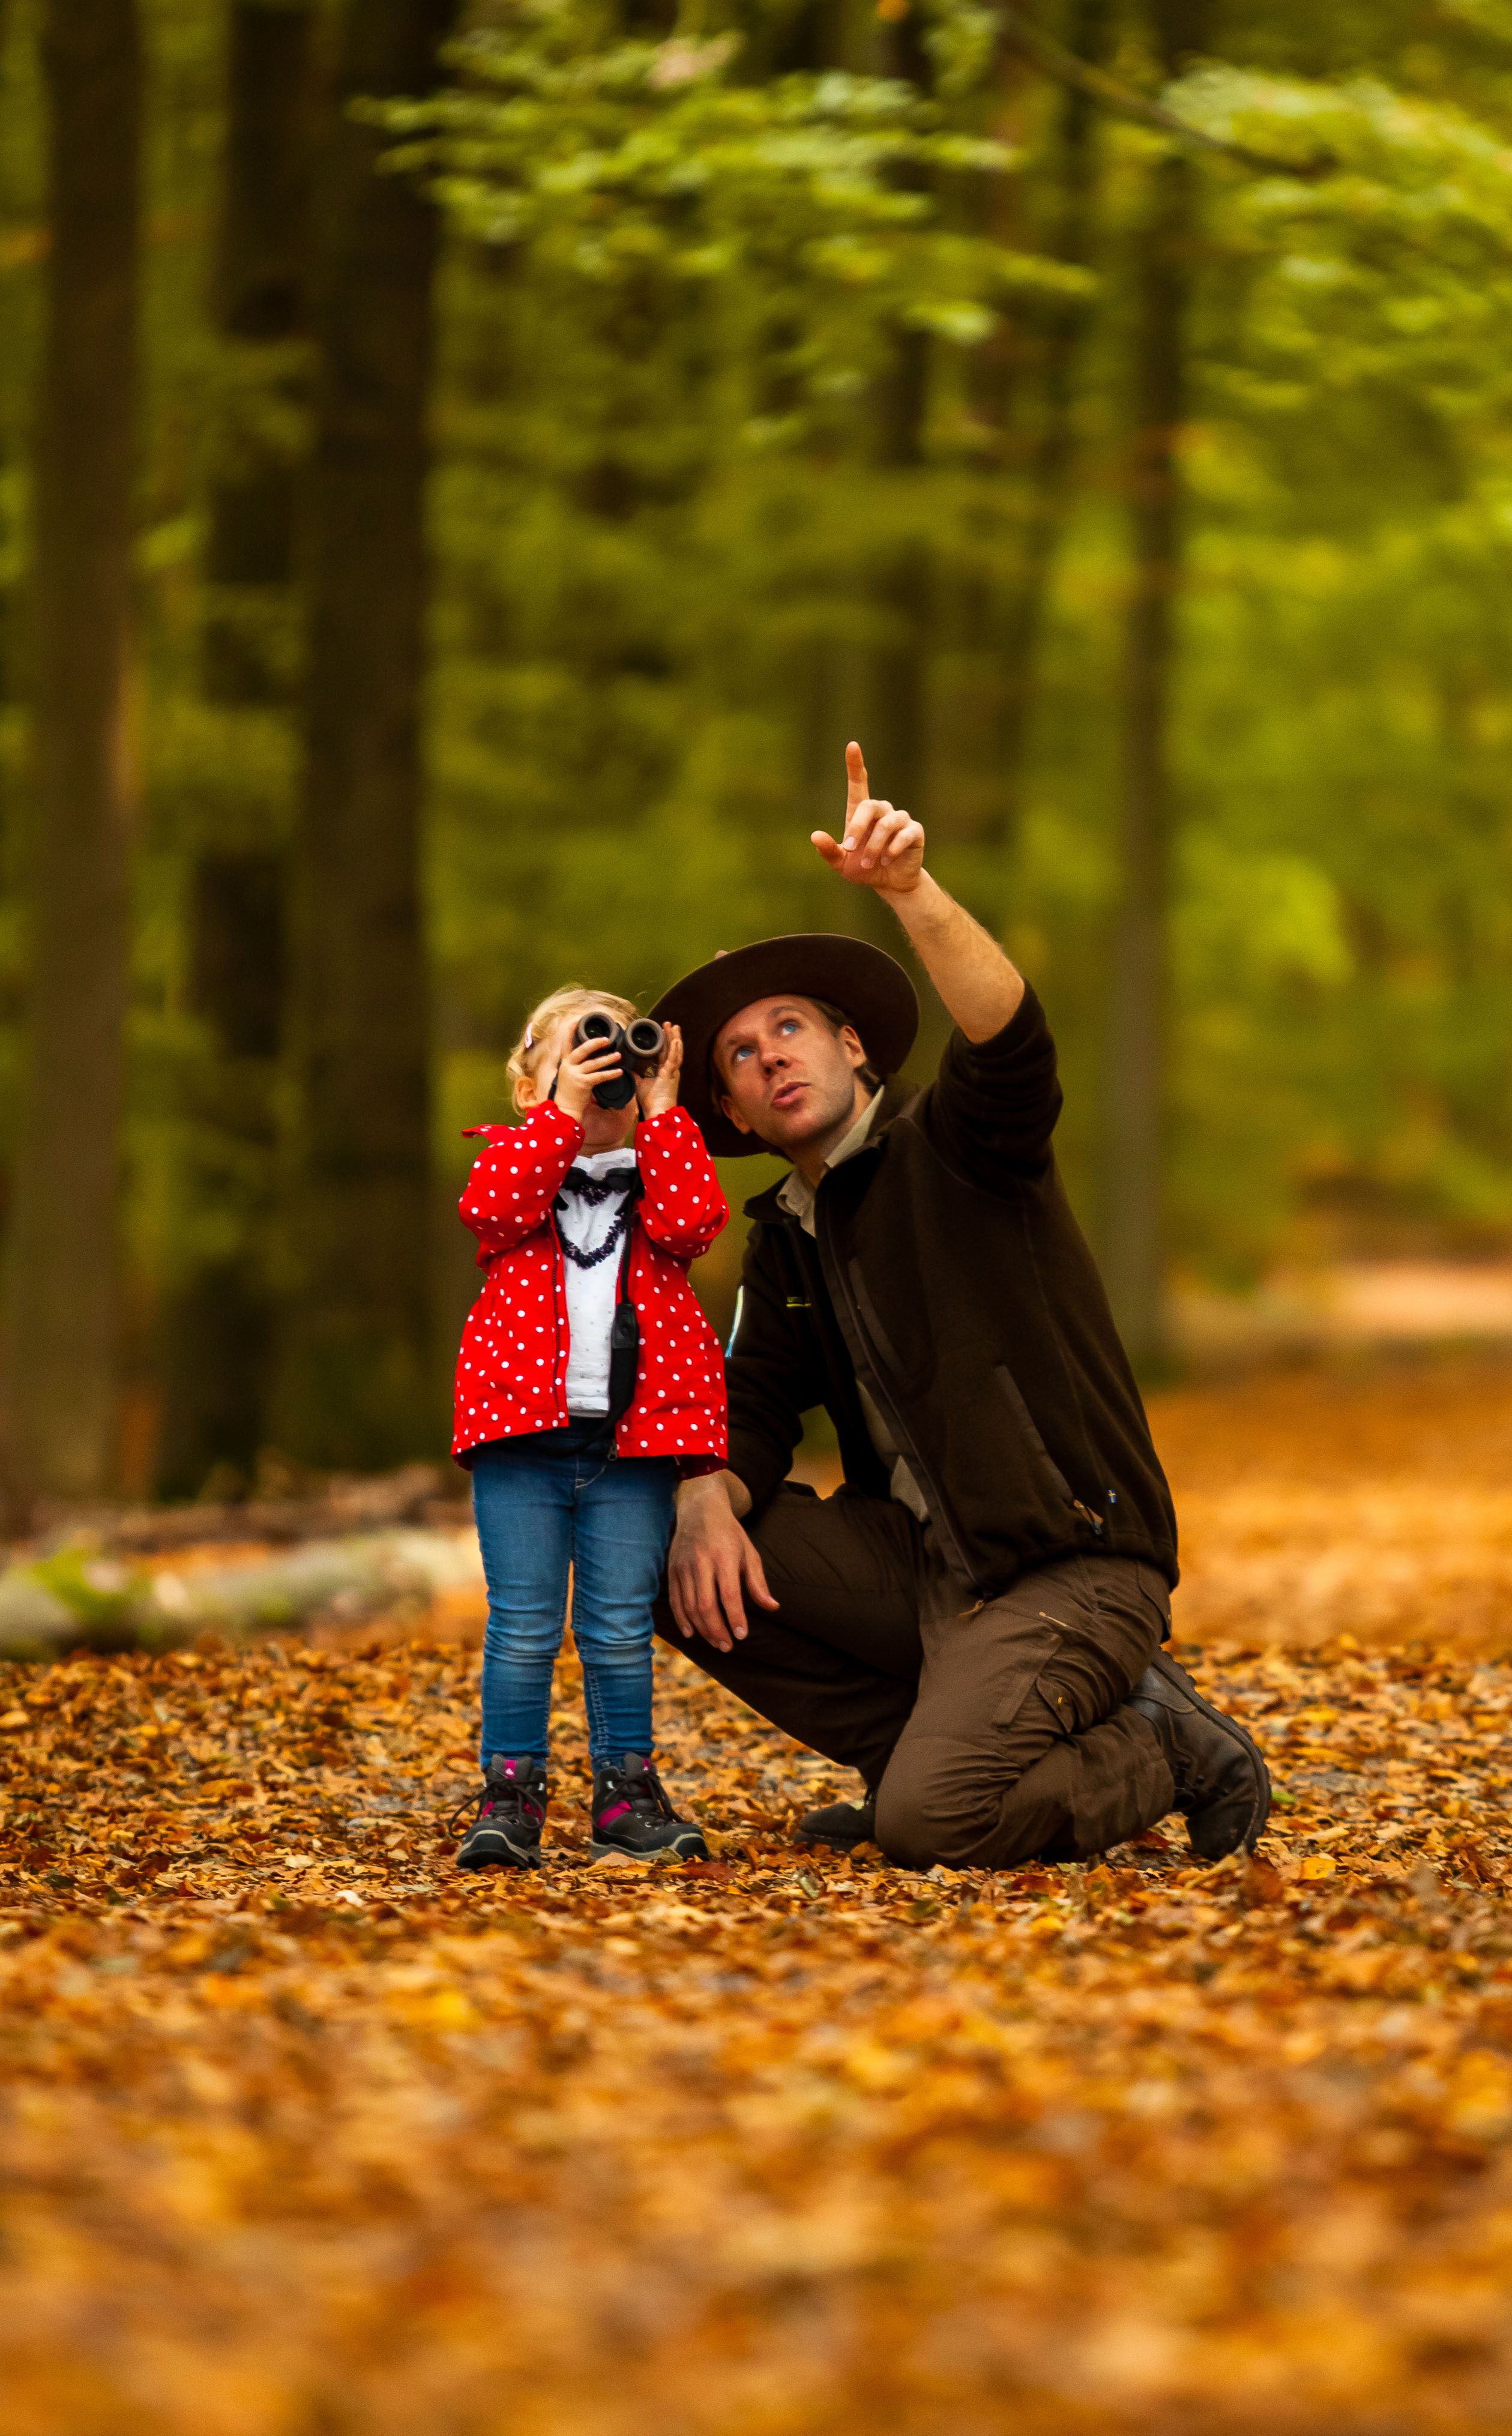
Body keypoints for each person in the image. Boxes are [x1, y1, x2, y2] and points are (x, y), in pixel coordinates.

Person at [650, 744, 1271, 1872]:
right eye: (740, 1055)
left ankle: (1158, 1744)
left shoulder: (958, 1147)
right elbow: (751, 1412)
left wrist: (908, 892)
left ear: (850, 1045)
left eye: (788, 1028)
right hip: (923, 1567)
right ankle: (910, 1754)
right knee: (661, 1541)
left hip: (1069, 1564)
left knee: (938, 1826)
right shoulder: (785, 1236)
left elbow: (1012, 1043)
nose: (767, 1058)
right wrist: (700, 1494)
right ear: (732, 1111)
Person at [451, 987, 729, 1873]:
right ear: (532, 1087)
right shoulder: (515, 1165)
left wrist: (664, 1112)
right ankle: (510, 1792)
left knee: (615, 1626)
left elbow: (694, 1226)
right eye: (581, 1054)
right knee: (525, 1625)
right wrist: (563, 1117)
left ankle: (626, 1793)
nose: (603, 1070)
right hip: (520, 1440)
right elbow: (491, 1211)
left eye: (620, 1054)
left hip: (630, 1447)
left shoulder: (656, 1180)